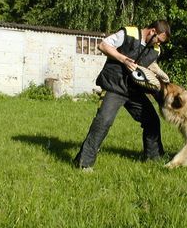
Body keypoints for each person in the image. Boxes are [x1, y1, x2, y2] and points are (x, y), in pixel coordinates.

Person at [73, 20, 171, 170]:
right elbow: (103, 45)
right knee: (103, 121)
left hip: (134, 90)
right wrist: (123, 59)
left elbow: (149, 62)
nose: (159, 44)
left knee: (152, 121)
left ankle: (154, 159)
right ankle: (83, 164)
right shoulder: (128, 33)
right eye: (158, 40)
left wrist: (161, 74)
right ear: (152, 32)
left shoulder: (155, 49)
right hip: (114, 86)